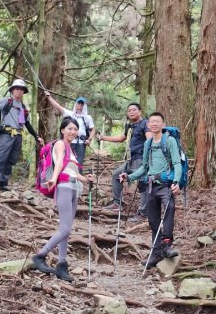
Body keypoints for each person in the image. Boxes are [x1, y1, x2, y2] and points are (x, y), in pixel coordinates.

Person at [31, 117, 95, 282]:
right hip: (64, 188)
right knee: (65, 229)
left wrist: (86, 179)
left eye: (75, 129)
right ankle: (40, 255)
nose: (73, 132)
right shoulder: (60, 144)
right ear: (62, 130)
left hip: (73, 188)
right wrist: (54, 178)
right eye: (70, 129)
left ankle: (61, 264)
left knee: (66, 229)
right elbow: (59, 162)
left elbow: (74, 172)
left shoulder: (72, 150)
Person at [119, 111, 181, 269]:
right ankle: (156, 252)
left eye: (157, 121)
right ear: (148, 124)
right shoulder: (147, 144)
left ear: (163, 125)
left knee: (169, 210)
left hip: (166, 184)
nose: (154, 124)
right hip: (150, 186)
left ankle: (166, 245)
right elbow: (144, 167)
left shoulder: (170, 141)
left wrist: (176, 182)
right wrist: (130, 177)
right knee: (153, 220)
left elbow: (177, 163)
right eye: (152, 121)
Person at [0, 78, 44, 193]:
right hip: (6, 134)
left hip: (18, 136)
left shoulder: (23, 108)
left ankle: (3, 183)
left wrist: (36, 136)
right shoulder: (6, 101)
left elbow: (27, 124)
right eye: (17, 89)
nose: (19, 91)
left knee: (11, 160)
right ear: (12, 90)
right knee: (2, 158)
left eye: (22, 89)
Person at [99, 102, 152, 222]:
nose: (131, 112)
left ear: (140, 112)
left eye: (134, 110)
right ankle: (117, 204)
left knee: (142, 184)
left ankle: (143, 213)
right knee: (116, 175)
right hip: (130, 159)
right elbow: (121, 138)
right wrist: (103, 138)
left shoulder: (145, 123)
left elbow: (150, 138)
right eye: (129, 110)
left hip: (140, 159)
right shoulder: (130, 126)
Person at [44, 91, 95, 167]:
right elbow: (58, 106)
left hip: (81, 143)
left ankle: (78, 178)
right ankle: (67, 178)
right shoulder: (70, 114)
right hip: (69, 142)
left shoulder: (87, 117)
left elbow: (93, 129)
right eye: (79, 103)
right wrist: (49, 97)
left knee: (79, 163)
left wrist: (89, 139)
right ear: (76, 104)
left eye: (82, 104)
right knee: (67, 161)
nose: (80, 105)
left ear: (84, 106)